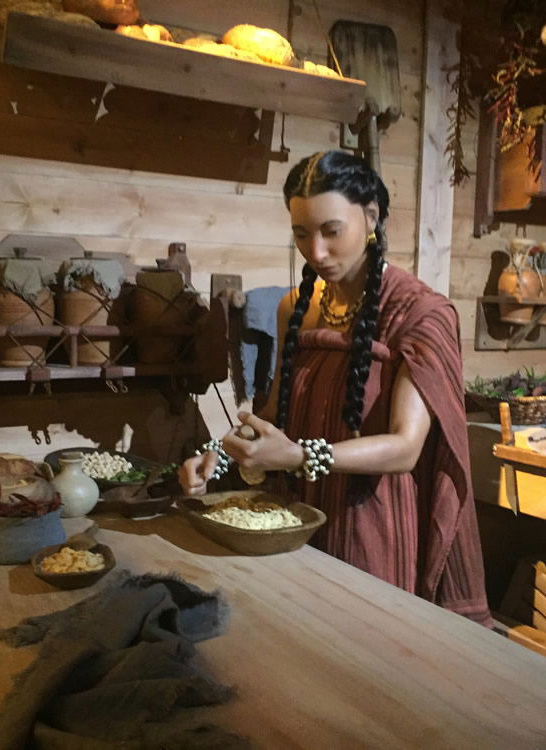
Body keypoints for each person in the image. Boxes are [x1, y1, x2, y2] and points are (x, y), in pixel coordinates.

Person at [179, 150, 491, 626]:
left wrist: (301, 458)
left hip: (370, 528)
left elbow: (406, 448)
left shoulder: (420, 314)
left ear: (370, 217)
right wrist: (217, 456)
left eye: (331, 231)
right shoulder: (293, 309)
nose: (316, 252)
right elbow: (273, 415)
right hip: (294, 521)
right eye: (301, 234)